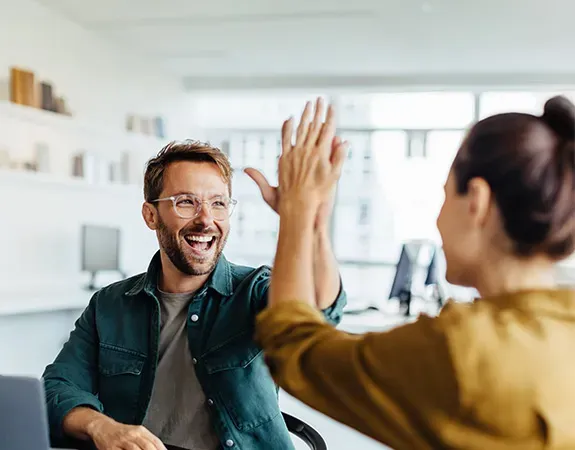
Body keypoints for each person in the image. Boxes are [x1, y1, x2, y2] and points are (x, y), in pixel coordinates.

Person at [255, 95, 575, 449]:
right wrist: (313, 223)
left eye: (444, 196)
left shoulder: (462, 349)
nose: (437, 220)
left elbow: (294, 347)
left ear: (477, 202)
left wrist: (297, 208)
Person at [42, 139, 346, 450]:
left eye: (218, 203)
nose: (205, 219)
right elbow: (57, 388)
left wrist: (311, 222)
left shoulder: (254, 291)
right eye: (186, 201)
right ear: (151, 215)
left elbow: (319, 312)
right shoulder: (109, 305)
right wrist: (100, 427)